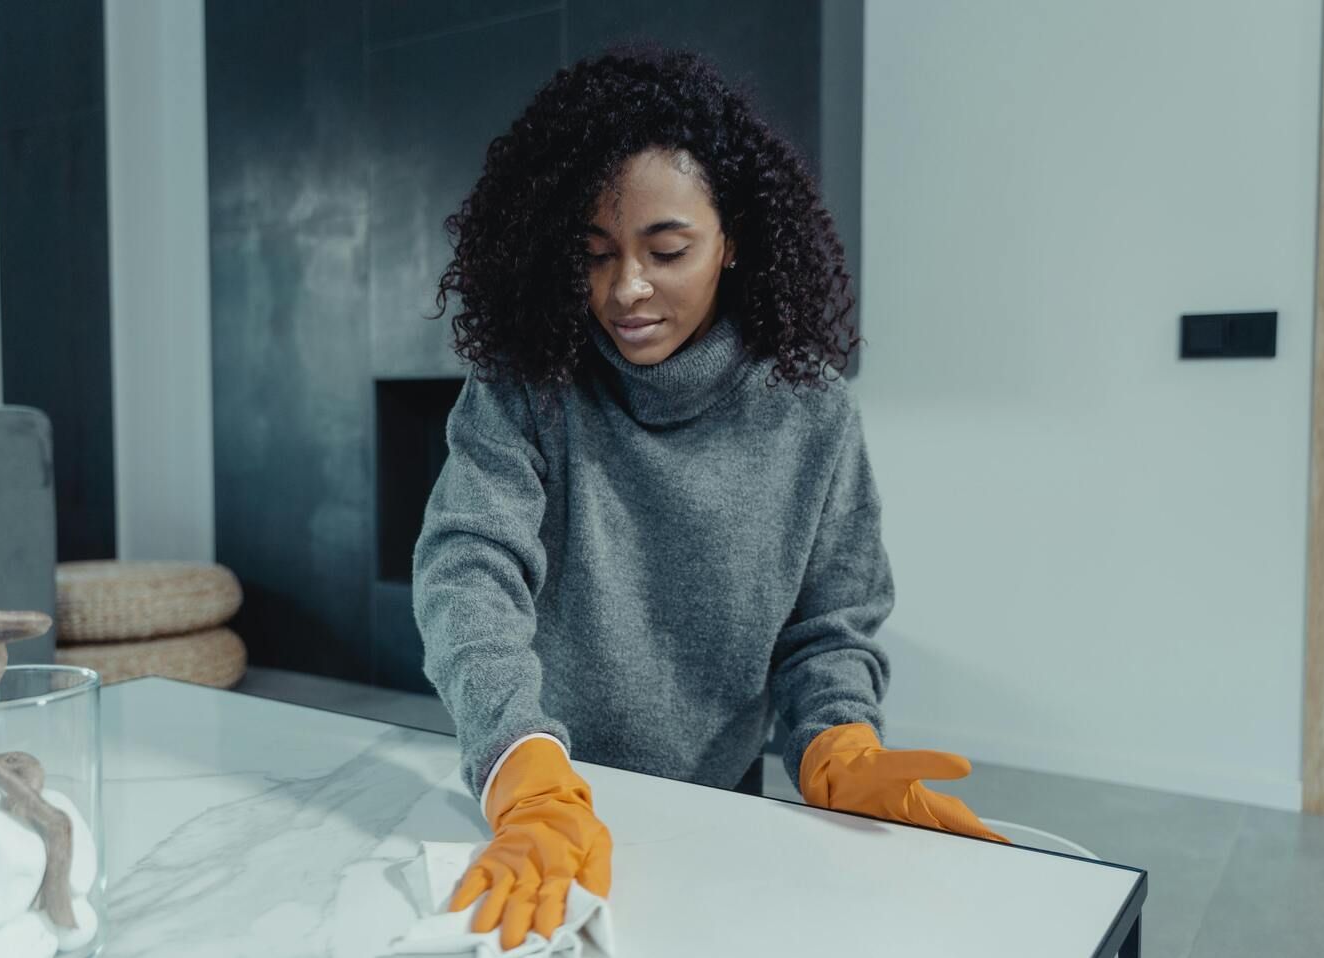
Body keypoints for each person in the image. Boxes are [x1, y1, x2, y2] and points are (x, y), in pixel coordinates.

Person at [410, 42, 1006, 953]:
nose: (626, 289)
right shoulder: (526, 388)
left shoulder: (812, 417)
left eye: (666, 248)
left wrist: (837, 740)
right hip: (539, 801)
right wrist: (522, 770)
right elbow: (468, 571)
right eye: (595, 253)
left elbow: (829, 626)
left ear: (731, 241)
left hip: (719, 811)